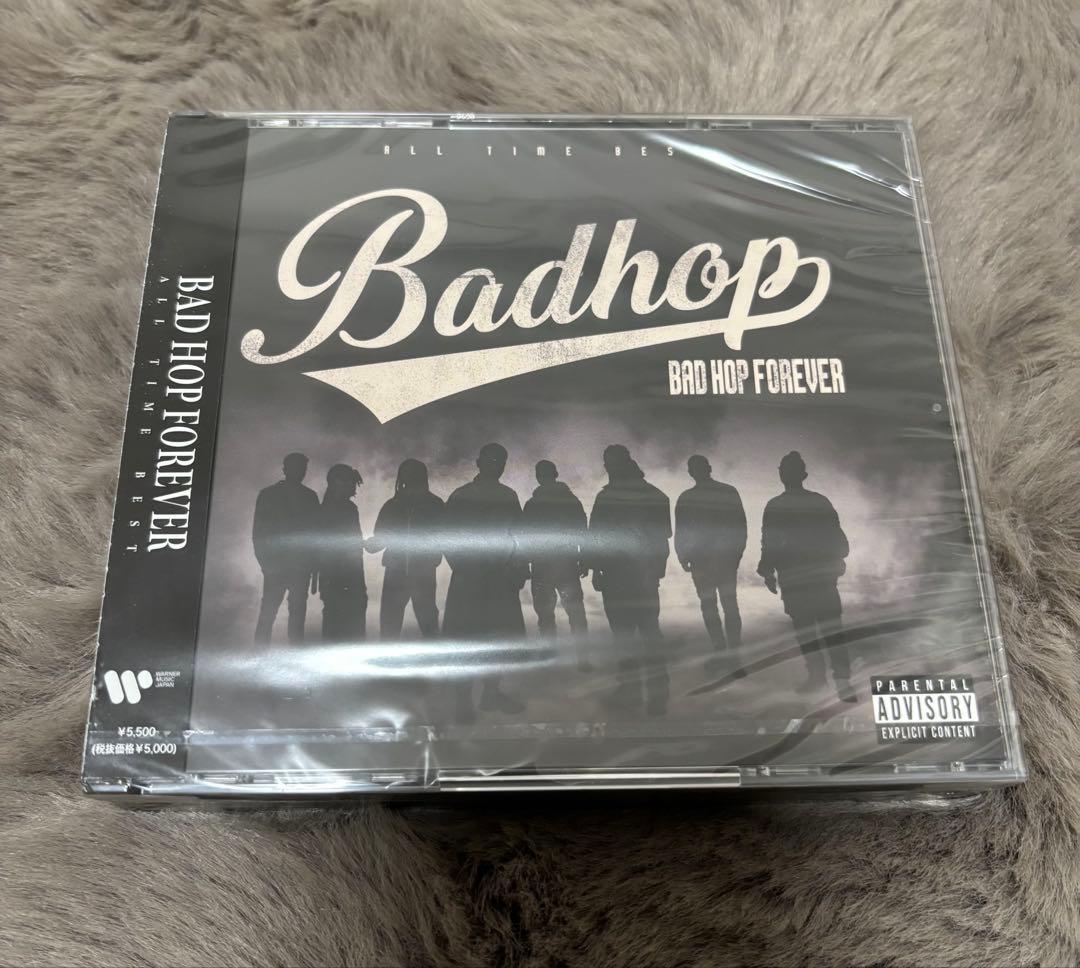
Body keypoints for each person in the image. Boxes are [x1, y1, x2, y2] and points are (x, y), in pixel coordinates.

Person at [756, 451, 855, 702]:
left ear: (782, 475)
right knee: (832, 630)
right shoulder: (820, 502)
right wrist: (835, 561)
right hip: (823, 578)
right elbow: (839, 540)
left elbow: (770, 544)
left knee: (806, 631)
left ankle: (817, 677)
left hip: (795, 581)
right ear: (804, 475)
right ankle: (842, 682)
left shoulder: (775, 506)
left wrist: (767, 571)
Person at [442, 443, 528, 719]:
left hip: (498, 578)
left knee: (496, 638)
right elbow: (448, 537)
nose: (495, 465)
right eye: (490, 460)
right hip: (470, 578)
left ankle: (490, 694)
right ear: (479, 463)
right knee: (467, 639)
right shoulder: (462, 496)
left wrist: (517, 569)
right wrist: (463, 567)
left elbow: (518, 535)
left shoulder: (507, 496)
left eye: (499, 461)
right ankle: (463, 701)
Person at [588, 444, 672, 715]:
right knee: (644, 633)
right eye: (606, 462)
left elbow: (597, 537)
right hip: (633, 576)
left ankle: (637, 691)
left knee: (631, 634)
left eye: (610, 463)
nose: (607, 467)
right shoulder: (654, 495)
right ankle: (651, 691)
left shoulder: (609, 497)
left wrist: (598, 569)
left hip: (623, 576)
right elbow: (661, 540)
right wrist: (656, 571)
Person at [674, 455, 746, 675]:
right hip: (723, 558)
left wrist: (682, 555)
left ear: (691, 472)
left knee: (710, 606)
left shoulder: (687, 497)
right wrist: (737, 553)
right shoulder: (728, 492)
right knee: (728, 605)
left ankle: (723, 653)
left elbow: (682, 531)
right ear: (709, 468)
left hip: (702, 560)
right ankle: (732, 656)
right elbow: (740, 526)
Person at [521, 460, 591, 669]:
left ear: (539, 477)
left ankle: (550, 656)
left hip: (542, 566)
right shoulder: (570, 501)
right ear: (556, 474)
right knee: (575, 613)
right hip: (566, 564)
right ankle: (582, 658)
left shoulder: (533, 504)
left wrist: (526, 563)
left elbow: (525, 536)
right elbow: (583, 532)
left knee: (545, 614)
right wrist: (584, 559)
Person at [367, 458, 444, 639]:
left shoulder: (432, 504)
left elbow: (443, 536)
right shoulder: (432, 504)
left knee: (423, 622)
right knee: (393, 623)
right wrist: (373, 545)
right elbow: (381, 537)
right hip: (402, 571)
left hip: (418, 571)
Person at [252, 452, 320, 644]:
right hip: (279, 565)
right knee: (270, 613)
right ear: (285, 469)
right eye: (296, 468)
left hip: (298, 566)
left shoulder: (309, 497)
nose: (300, 472)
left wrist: (312, 565)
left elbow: (316, 534)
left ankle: (286, 654)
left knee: (293, 615)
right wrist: (267, 564)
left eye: (302, 468)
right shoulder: (269, 495)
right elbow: (258, 533)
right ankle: (261, 653)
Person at [316, 463, 367, 642]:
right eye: (351, 483)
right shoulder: (344, 509)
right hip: (342, 572)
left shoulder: (336, 508)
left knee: (336, 615)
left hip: (340, 572)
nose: (354, 487)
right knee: (342, 615)